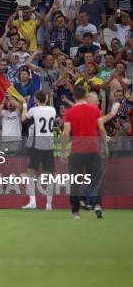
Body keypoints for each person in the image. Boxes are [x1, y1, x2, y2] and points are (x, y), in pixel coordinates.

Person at [61, 85, 107, 219]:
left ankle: (76, 212)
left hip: (77, 151)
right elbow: (102, 130)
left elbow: (65, 134)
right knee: (96, 178)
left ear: (74, 97)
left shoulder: (70, 112)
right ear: (85, 96)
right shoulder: (95, 110)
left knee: (75, 181)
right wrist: (105, 146)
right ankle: (97, 205)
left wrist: (63, 152)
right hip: (93, 149)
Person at [21, 91, 56, 210]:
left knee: (31, 172)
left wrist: (25, 105)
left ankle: (32, 202)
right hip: (49, 145)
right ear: (46, 98)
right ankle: (49, 204)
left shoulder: (34, 110)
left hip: (37, 144)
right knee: (50, 175)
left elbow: (23, 118)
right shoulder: (52, 110)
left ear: (36, 99)